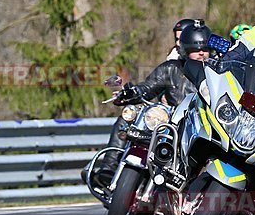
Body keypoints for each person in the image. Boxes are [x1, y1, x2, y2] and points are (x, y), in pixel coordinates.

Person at [84, 23, 214, 187]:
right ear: (186, 49)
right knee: (127, 118)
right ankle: (108, 171)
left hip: (198, 128)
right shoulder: (171, 68)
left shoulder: (216, 72)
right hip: (169, 123)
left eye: (205, 48)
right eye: (196, 49)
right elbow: (147, 87)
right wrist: (129, 93)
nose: (201, 52)